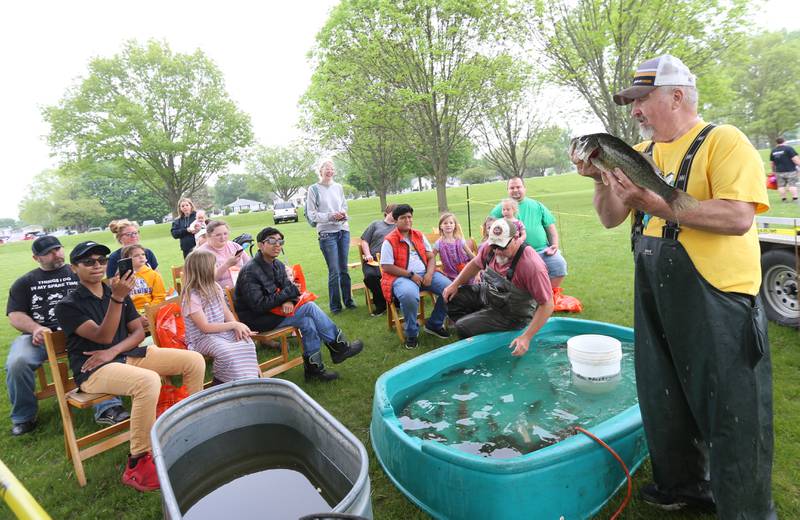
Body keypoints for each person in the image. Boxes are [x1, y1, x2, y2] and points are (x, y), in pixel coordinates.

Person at [572, 54, 774, 518]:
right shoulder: (639, 156)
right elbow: (609, 218)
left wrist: (661, 207)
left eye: (642, 99)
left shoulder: (724, 142)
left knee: (733, 410)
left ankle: (744, 509)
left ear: (677, 96)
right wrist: (601, 178)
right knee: (664, 395)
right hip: (656, 292)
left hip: (720, 298)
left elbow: (738, 217)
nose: (635, 111)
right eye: (632, 102)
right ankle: (683, 485)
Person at [55, 241, 205, 491]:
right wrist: (117, 298)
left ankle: (188, 425)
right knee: (147, 381)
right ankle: (138, 459)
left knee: (193, 360)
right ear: (73, 268)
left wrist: (113, 350)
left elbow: (137, 331)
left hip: (124, 354)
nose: (97, 265)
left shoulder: (115, 291)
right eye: (89, 262)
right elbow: (102, 336)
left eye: (101, 261)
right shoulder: (69, 305)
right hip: (92, 369)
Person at [5, 237, 128, 436]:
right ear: (36, 258)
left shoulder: (80, 270)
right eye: (49, 252)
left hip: (83, 330)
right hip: (42, 335)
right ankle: (24, 416)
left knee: (98, 346)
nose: (56, 254)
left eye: (58, 249)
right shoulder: (25, 282)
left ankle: (108, 406)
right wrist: (35, 328)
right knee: (17, 362)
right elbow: (15, 314)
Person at [234, 227, 364, 382]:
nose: (277, 245)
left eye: (280, 241)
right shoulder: (250, 271)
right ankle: (339, 346)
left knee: (307, 322)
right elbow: (258, 305)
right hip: (257, 319)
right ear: (261, 245)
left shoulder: (278, 265)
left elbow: (294, 290)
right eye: (272, 241)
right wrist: (287, 295)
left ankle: (314, 371)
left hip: (275, 311)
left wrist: (289, 300)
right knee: (308, 307)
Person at [442, 218, 554, 348]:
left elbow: (548, 305)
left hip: (513, 314)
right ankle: (482, 332)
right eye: (494, 246)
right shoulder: (490, 248)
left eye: (502, 247)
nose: (497, 251)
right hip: (490, 295)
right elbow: (475, 264)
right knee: (450, 298)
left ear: (516, 238)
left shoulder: (532, 266)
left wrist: (526, 337)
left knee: (463, 326)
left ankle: (483, 344)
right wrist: (454, 285)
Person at [180, 249, 260, 384]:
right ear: (204, 270)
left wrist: (237, 327)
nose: (217, 268)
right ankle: (221, 383)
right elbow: (205, 328)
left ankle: (248, 380)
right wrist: (234, 325)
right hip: (202, 338)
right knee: (226, 352)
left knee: (247, 343)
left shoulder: (215, 286)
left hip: (221, 331)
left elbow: (226, 312)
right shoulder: (191, 296)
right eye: (214, 266)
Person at [380, 204, 451, 349]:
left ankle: (434, 324)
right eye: (403, 218)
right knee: (409, 296)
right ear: (395, 220)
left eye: (409, 217)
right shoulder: (389, 240)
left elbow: (431, 257)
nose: (407, 220)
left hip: (425, 273)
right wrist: (410, 275)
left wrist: (430, 273)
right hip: (401, 277)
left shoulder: (418, 235)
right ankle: (412, 333)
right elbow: (386, 266)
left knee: (450, 289)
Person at [489, 178, 567, 290]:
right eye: (512, 187)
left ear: (524, 188)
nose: (515, 190)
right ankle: (530, 298)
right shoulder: (501, 208)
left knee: (559, 265)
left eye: (518, 187)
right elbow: (490, 231)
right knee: (524, 274)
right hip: (514, 254)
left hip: (542, 250)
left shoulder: (537, 205)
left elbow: (550, 227)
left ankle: (547, 295)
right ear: (507, 190)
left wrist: (554, 244)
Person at [305, 160, 355, 313]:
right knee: (334, 271)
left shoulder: (338, 187)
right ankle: (335, 306)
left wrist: (342, 214)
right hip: (327, 234)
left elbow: (344, 206)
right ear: (320, 171)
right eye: (327, 168)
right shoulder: (313, 189)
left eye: (332, 168)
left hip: (343, 230)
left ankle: (349, 301)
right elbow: (312, 214)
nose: (330, 171)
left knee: (343, 269)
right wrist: (331, 216)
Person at [359, 203, 397, 316]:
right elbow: (364, 241)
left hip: (390, 261)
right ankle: (382, 304)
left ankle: (395, 301)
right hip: (373, 260)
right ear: (388, 212)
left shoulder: (398, 227)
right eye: (394, 212)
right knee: (370, 277)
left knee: (395, 277)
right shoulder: (375, 224)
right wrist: (367, 254)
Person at [196, 220, 250, 289]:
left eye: (225, 233)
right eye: (218, 235)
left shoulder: (234, 246)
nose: (223, 237)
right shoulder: (201, 253)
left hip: (243, 287)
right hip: (218, 294)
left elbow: (250, 265)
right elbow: (207, 280)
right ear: (208, 236)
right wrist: (227, 264)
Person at [121, 244, 166, 321]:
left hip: (151, 310)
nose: (141, 257)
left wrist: (149, 311)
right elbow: (120, 299)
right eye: (136, 255)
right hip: (130, 314)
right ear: (126, 260)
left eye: (143, 254)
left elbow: (160, 296)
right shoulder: (123, 277)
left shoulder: (154, 275)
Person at [432, 212, 475, 282]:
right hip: (450, 274)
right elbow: (431, 258)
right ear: (441, 226)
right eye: (445, 223)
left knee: (472, 282)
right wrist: (435, 269)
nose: (448, 225)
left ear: (455, 225)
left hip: (464, 269)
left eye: (451, 223)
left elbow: (470, 254)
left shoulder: (460, 240)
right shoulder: (438, 244)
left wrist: (479, 264)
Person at [769, 136, 800, 202]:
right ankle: (795, 198)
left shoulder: (773, 150)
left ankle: (784, 199)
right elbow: (795, 159)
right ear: (784, 141)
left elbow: (772, 163)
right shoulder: (789, 148)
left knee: (781, 186)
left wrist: (773, 171)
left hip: (779, 171)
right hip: (790, 170)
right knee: (792, 184)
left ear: (776, 142)